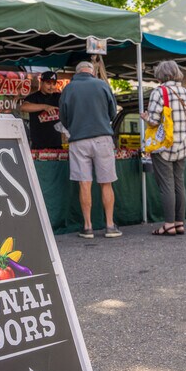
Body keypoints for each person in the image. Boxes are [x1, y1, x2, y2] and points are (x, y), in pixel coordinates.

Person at [59, 61, 122, 239]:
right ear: (92, 72)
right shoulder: (102, 85)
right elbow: (113, 112)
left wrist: (75, 125)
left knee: (84, 183)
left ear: (77, 72)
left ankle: (87, 227)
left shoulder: (68, 88)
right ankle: (110, 225)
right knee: (106, 182)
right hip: (103, 138)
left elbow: (63, 116)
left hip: (78, 140)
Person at [140, 60, 186, 235]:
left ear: (162, 75)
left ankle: (168, 224)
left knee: (166, 185)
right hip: (182, 143)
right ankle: (179, 223)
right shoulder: (184, 91)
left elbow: (154, 121)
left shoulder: (159, 91)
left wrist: (145, 117)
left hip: (165, 146)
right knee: (179, 184)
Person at [20, 71, 62, 149]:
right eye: (48, 83)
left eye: (53, 84)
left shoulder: (59, 97)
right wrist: (45, 107)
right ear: (41, 82)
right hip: (38, 145)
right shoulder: (34, 97)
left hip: (57, 144)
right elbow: (24, 107)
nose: (51, 87)